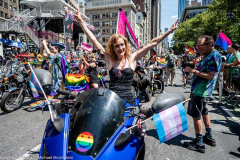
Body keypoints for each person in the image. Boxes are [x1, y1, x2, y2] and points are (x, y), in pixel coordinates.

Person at [73, 8, 178, 122]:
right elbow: (93, 40)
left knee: (133, 132)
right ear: (113, 48)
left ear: (125, 45)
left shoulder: (132, 58)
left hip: (129, 102)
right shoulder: (109, 60)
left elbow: (152, 43)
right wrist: (81, 22)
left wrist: (170, 31)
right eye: (117, 46)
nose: (120, 48)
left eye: (122, 45)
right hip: (111, 102)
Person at [183, 35, 222, 153]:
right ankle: (209, 137)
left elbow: (210, 76)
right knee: (204, 113)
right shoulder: (207, 55)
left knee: (196, 116)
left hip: (201, 91)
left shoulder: (214, 55)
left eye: (200, 45)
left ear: (209, 45)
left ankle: (199, 143)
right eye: (197, 44)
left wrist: (193, 71)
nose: (197, 47)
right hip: (201, 91)